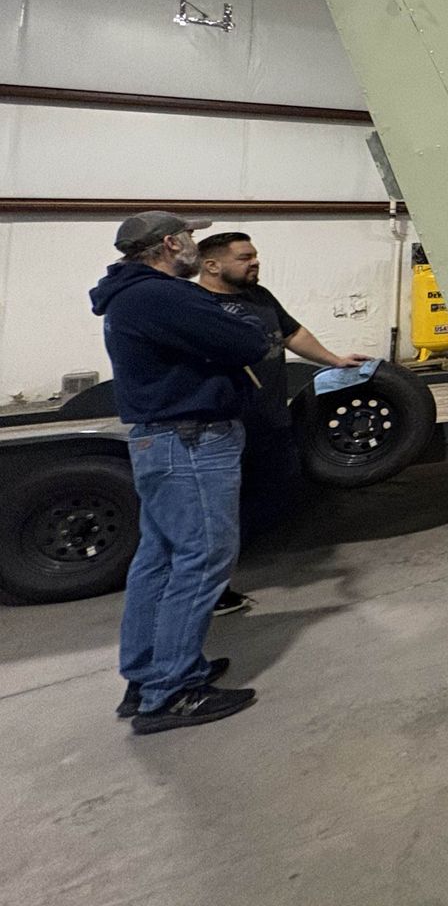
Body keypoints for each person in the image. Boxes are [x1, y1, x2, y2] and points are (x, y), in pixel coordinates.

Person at [89, 210, 267, 734]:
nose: (195, 244)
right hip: (190, 441)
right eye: (189, 237)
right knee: (203, 557)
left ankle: (147, 675)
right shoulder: (163, 295)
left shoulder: (130, 295)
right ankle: (173, 691)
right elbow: (250, 341)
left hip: (163, 440)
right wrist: (242, 326)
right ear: (170, 243)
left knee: (160, 560)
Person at [195, 232, 370, 604]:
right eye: (244, 257)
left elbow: (292, 333)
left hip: (270, 421)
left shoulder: (259, 296)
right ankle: (211, 592)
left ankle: (231, 569)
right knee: (217, 515)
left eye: (255, 255)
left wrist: (334, 359)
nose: (255, 262)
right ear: (212, 265)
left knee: (269, 497)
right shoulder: (196, 306)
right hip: (223, 429)